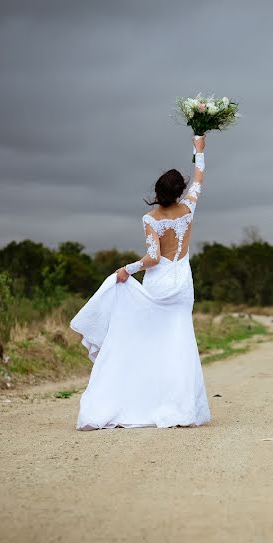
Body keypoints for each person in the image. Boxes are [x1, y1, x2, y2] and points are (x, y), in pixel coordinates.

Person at [69, 135, 210, 429]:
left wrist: (127, 269)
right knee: (180, 340)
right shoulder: (189, 208)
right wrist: (198, 147)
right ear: (179, 192)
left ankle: (143, 399)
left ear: (158, 192)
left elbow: (153, 258)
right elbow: (199, 177)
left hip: (157, 285)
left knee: (149, 340)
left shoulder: (150, 218)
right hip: (182, 283)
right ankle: (180, 408)